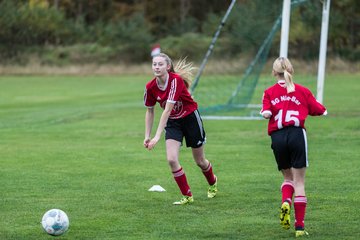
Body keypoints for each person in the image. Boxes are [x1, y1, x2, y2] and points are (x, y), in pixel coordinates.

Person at [260, 57, 327, 237]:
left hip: (278, 136)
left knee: (287, 178)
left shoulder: (269, 92)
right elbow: (320, 110)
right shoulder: (302, 91)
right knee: (300, 182)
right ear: (292, 70)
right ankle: (299, 227)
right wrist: (322, 109)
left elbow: (266, 113)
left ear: (274, 72)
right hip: (297, 135)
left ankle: (286, 201)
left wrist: (268, 112)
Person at [143, 53, 218, 205]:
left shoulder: (175, 81)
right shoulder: (150, 87)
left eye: (160, 64)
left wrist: (157, 137)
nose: (156, 67)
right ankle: (187, 196)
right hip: (173, 123)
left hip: (190, 119)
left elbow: (167, 110)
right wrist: (147, 135)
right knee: (171, 159)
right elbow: (150, 110)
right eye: (154, 64)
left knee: (200, 161)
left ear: (168, 67)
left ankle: (212, 182)